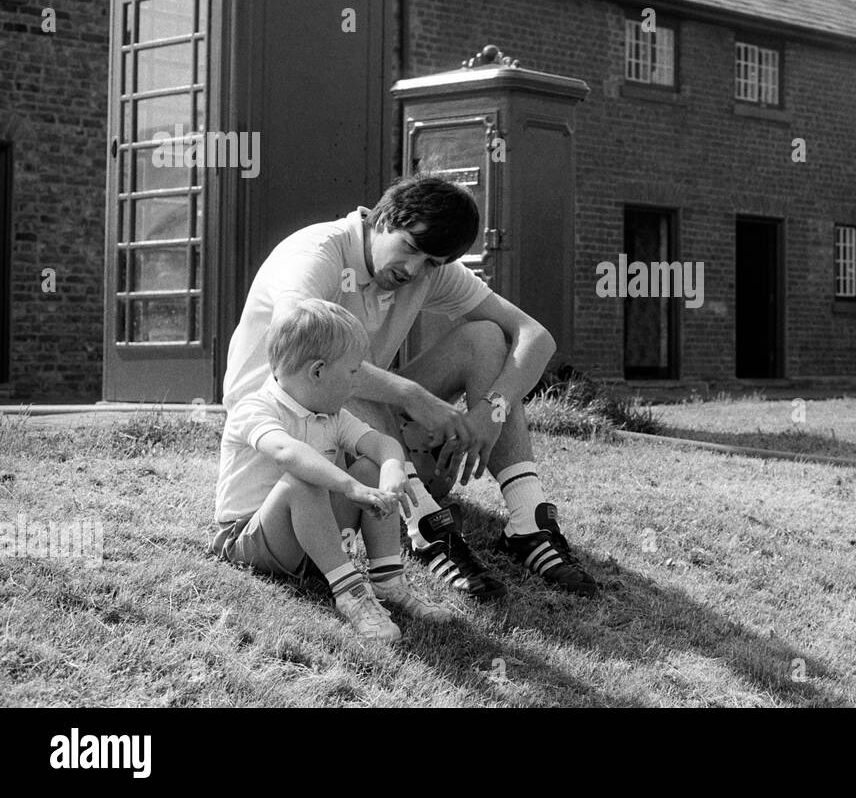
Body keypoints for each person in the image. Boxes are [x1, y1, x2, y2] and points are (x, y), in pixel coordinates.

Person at [221, 174, 598, 600]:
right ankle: (426, 526)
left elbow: (535, 336)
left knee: (486, 338)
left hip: (355, 437)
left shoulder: (425, 268)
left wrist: (491, 412)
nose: (414, 270)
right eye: (411, 248)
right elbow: (303, 357)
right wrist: (412, 395)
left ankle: (529, 521)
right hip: (288, 433)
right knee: (350, 377)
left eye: (432, 263)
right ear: (382, 218)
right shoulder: (315, 253)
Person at [211, 299, 454, 642]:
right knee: (302, 478)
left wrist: (391, 469)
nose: (356, 384)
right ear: (318, 371)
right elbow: (287, 454)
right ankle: (351, 593)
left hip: (311, 538)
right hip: (250, 539)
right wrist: (349, 487)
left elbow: (382, 444)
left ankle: (389, 581)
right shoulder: (255, 407)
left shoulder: (333, 415)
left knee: (369, 468)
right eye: (353, 372)